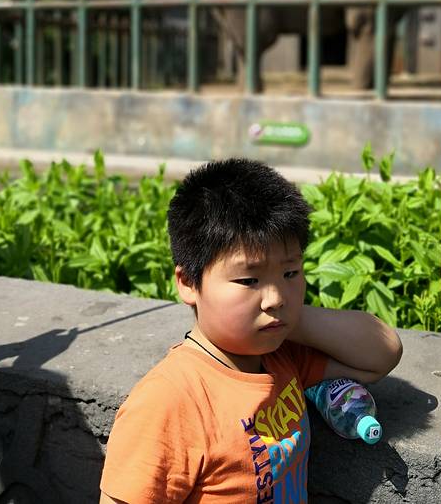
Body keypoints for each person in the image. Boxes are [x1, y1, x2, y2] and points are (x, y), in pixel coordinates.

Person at [100, 158, 402, 503]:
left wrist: (290, 318)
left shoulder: (280, 358)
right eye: (248, 280)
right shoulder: (169, 402)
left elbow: (382, 352)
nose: (275, 297)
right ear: (188, 283)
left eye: (290, 273)